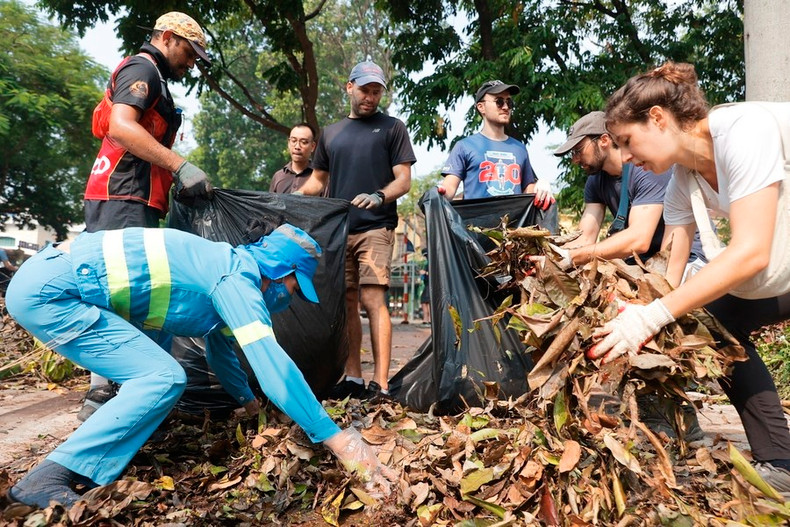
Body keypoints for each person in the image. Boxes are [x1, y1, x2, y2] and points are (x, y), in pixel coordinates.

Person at [5, 224, 395, 508]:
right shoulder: (235, 278)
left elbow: (220, 351)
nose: (290, 300)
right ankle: (48, 477)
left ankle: (95, 459)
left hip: (54, 281)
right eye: (294, 290)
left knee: (158, 369)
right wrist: (335, 437)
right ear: (279, 274)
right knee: (163, 377)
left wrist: (247, 402)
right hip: (56, 292)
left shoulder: (222, 270)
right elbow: (273, 366)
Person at [590, 61, 790, 495]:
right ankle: (780, 460)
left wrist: (652, 316)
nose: (626, 158)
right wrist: (639, 309)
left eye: (627, 141)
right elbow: (671, 270)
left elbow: (752, 252)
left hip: (774, 261)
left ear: (658, 118)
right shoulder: (683, 180)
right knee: (716, 323)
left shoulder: (742, 130)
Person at [80, 11, 214, 421]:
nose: (191, 64)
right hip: (120, 196)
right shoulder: (143, 68)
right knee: (119, 292)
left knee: (135, 291)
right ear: (169, 38)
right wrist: (178, 165)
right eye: (190, 53)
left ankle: (119, 387)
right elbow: (121, 127)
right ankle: (102, 393)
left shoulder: (157, 79)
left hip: (138, 199)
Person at [298, 61, 416, 401]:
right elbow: (316, 182)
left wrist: (379, 196)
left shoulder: (393, 128)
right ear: (349, 87)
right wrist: (285, 199)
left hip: (376, 227)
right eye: (365, 89)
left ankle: (380, 383)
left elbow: (403, 180)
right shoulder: (332, 134)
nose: (371, 96)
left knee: (372, 298)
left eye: (377, 91)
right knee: (348, 303)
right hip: (339, 231)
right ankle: (353, 377)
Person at [551, 111, 704, 269]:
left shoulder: (647, 168)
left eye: (578, 150)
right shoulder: (595, 181)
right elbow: (584, 238)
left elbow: (639, 239)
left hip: (687, 260)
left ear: (604, 140)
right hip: (644, 264)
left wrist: (572, 257)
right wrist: (551, 255)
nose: (575, 160)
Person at [438, 80, 554, 209]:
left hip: (513, 226)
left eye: (509, 102)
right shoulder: (464, 146)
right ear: (481, 107)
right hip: (475, 226)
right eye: (499, 101)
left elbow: (528, 190)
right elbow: (449, 188)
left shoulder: (519, 148)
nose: (505, 107)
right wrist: (437, 194)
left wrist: (541, 185)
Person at [269, 123, 326, 195]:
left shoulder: (320, 177)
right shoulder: (278, 176)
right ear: (289, 143)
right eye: (293, 141)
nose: (297, 146)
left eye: (303, 142)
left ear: (313, 146)